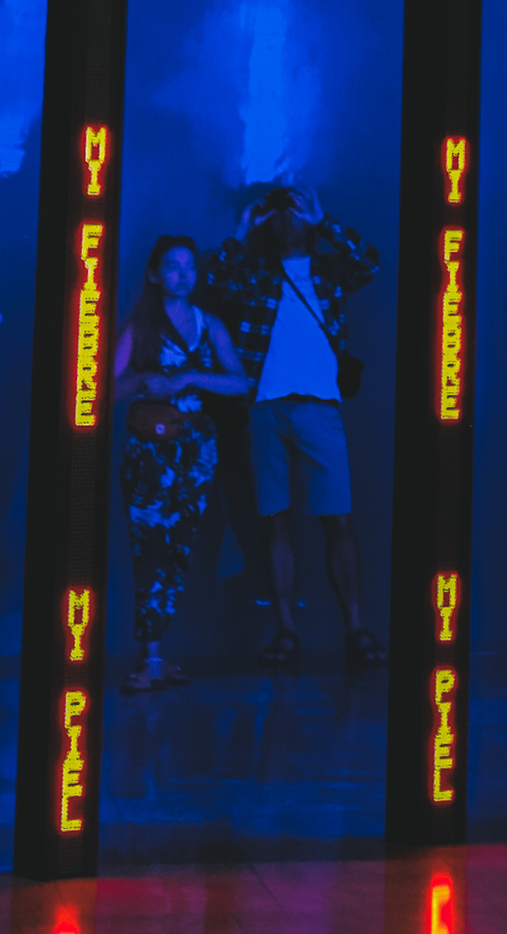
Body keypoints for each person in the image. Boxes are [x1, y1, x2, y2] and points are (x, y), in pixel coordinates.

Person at [215, 182, 380, 671]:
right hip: (265, 409)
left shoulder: (329, 271)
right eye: (279, 211)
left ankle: (356, 628)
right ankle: (286, 630)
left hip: (319, 407)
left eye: (295, 210)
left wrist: (323, 221)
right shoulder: (256, 271)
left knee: (339, 521)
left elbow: (369, 264)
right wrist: (242, 228)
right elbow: (220, 283)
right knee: (275, 523)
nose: (287, 218)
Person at [120, 233, 237, 687]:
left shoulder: (210, 324)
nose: (183, 275)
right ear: (154, 274)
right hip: (150, 452)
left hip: (196, 450)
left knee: (179, 548)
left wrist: (188, 378)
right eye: (173, 266)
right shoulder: (140, 327)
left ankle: (157, 655)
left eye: (190, 267)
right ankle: (150, 658)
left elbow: (241, 382)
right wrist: (144, 381)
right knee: (149, 545)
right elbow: (99, 388)